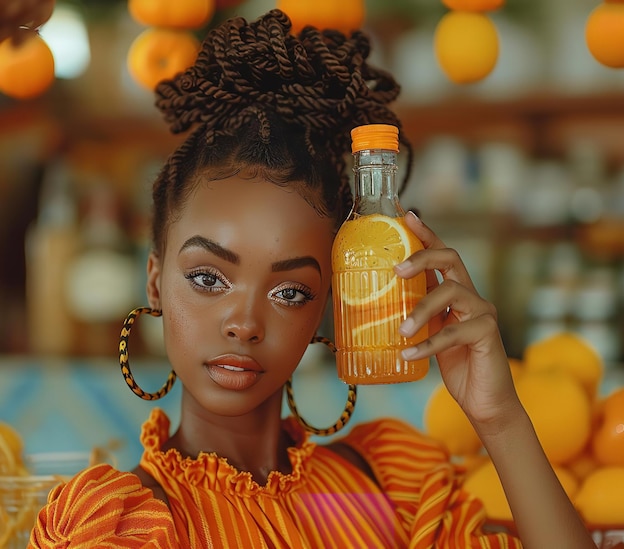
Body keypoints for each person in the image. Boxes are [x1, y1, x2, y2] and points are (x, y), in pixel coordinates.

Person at [26, 9, 595, 549]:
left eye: (289, 292)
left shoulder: (383, 490)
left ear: (329, 304)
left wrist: (499, 418)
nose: (245, 324)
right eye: (208, 278)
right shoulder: (118, 524)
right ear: (154, 281)